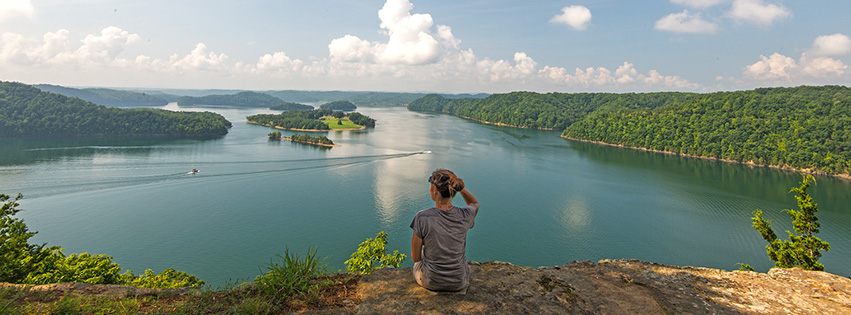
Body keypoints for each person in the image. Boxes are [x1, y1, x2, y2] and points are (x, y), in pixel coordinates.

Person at [410, 169, 480, 292]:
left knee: (419, 259)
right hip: (459, 281)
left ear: (435, 191)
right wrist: (461, 189)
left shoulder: (422, 218)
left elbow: (415, 258)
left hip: (431, 281)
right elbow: (474, 203)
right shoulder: (465, 215)